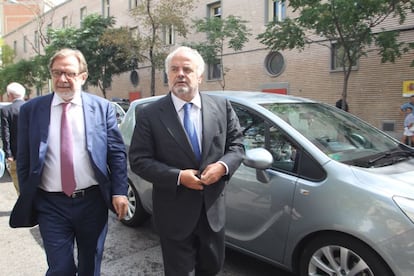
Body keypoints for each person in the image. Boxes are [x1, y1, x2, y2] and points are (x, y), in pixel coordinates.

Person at [9, 48, 129, 276]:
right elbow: (24, 158)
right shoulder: (31, 110)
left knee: (90, 265)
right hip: (50, 204)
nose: (62, 79)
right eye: (56, 73)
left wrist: (119, 191)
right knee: (60, 268)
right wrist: (28, 195)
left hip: (92, 202)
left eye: (69, 73)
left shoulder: (101, 108)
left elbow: (116, 152)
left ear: (83, 76)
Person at [128, 46, 245, 276]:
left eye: (187, 69)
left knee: (211, 269)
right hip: (173, 215)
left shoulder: (221, 107)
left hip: (212, 213)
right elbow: (139, 160)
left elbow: (237, 146)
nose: (180, 73)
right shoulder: (150, 114)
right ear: (168, 75)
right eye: (174, 69)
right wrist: (179, 177)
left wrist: (222, 167)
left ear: (199, 76)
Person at [0, 82, 26, 194]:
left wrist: (8, 154)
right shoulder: (30, 107)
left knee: (18, 182)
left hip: (15, 154)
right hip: (32, 152)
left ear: (10, 95)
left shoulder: (6, 110)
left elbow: (5, 133)